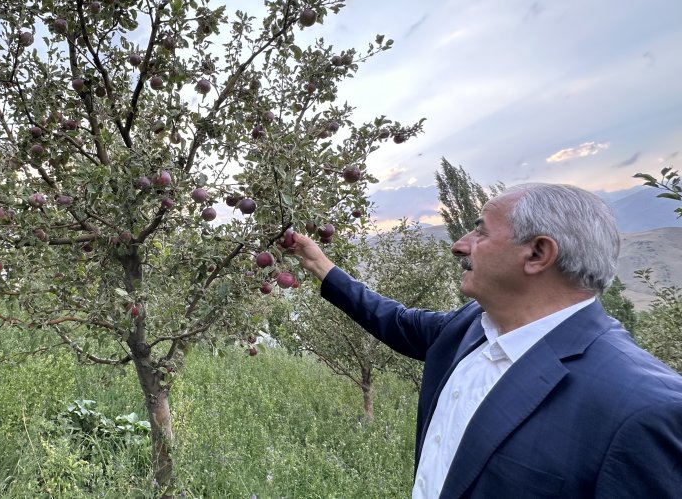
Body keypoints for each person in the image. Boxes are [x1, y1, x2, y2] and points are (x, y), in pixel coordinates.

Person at [291, 183, 682, 498]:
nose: (459, 245)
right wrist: (320, 266)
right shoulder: (470, 327)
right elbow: (396, 322)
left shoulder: (643, 409)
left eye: (480, 231)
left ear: (537, 253)